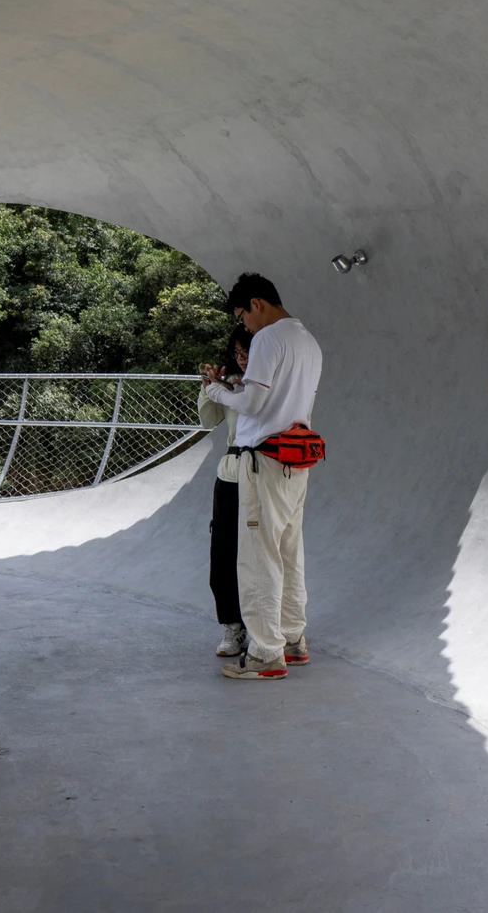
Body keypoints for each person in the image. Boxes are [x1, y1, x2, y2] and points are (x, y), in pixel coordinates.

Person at [198, 273, 324, 681]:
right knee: (290, 554)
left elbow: (252, 402)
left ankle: (265, 655)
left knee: (258, 560)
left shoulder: (269, 338)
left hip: (262, 460)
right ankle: (293, 640)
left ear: (257, 304)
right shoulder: (309, 342)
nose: (245, 328)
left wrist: (216, 391)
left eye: (242, 316)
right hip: (296, 459)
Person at [197, 327, 251, 657]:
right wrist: (210, 389)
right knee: (224, 551)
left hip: (263, 473)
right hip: (230, 474)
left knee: (261, 553)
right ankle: (233, 626)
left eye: (247, 349)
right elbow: (207, 421)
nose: (242, 356)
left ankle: (268, 626)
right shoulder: (229, 382)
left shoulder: (270, 382)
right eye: (237, 350)